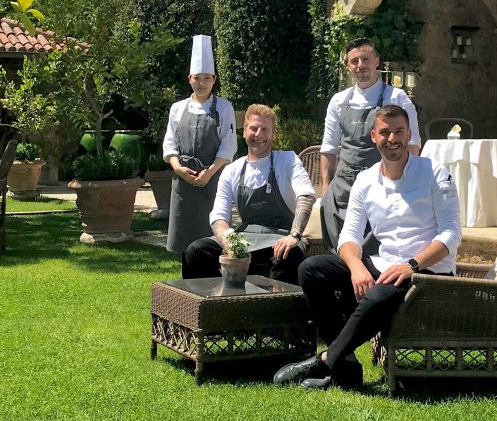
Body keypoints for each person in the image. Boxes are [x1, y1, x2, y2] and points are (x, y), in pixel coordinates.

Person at [273, 105, 461, 390]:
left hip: (427, 271)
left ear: (409, 134)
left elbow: (451, 233)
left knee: (377, 295)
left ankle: (324, 360)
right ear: (374, 136)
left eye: (399, 131)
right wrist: (356, 266)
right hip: (383, 264)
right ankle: (346, 368)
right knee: (312, 269)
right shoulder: (366, 179)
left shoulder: (434, 173)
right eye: (385, 132)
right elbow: (349, 236)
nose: (392, 138)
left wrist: (411, 265)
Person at [182, 104, 316, 285]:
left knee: (288, 254)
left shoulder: (288, 160)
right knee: (196, 251)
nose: (258, 134)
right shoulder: (231, 170)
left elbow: (306, 196)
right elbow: (219, 216)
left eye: (265, 129)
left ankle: (274, 311)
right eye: (253, 128)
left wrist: (294, 235)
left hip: (281, 238)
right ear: (244, 132)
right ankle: (211, 308)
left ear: (273, 134)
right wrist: (228, 242)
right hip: (244, 239)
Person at [320, 38, 421, 253]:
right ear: (348, 66)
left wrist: (405, 184)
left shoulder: (396, 97)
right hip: (342, 191)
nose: (360, 65)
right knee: (340, 254)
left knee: (375, 254)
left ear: (377, 61)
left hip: (382, 189)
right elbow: (329, 147)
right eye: (354, 61)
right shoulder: (338, 101)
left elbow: (412, 145)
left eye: (365, 59)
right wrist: (326, 189)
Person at [163, 35, 237, 271]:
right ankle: (187, 288)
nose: (202, 83)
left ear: (214, 79)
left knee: (212, 237)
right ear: (189, 79)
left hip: (213, 181)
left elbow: (228, 147)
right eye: (197, 78)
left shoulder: (224, 108)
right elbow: (170, 143)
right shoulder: (178, 108)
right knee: (185, 242)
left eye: (207, 78)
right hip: (183, 183)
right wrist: (178, 168)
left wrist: (209, 172)